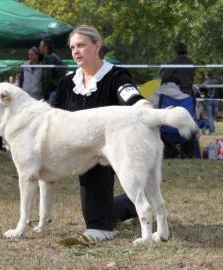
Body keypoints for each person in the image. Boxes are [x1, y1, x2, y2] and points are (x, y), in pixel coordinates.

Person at [52, 25, 151, 241]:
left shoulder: (116, 75)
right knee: (104, 206)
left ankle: (101, 228)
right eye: (72, 47)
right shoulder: (67, 83)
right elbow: (52, 116)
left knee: (95, 160)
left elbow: (132, 97)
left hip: (120, 146)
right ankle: (129, 204)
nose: (75, 51)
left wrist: (148, 109)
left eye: (81, 45)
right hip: (77, 150)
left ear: (97, 46)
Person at [39, 38, 66, 103]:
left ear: (45, 47)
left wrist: (44, 94)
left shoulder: (48, 58)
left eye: (40, 46)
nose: (39, 47)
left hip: (52, 91)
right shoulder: (54, 57)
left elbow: (47, 77)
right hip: (57, 90)